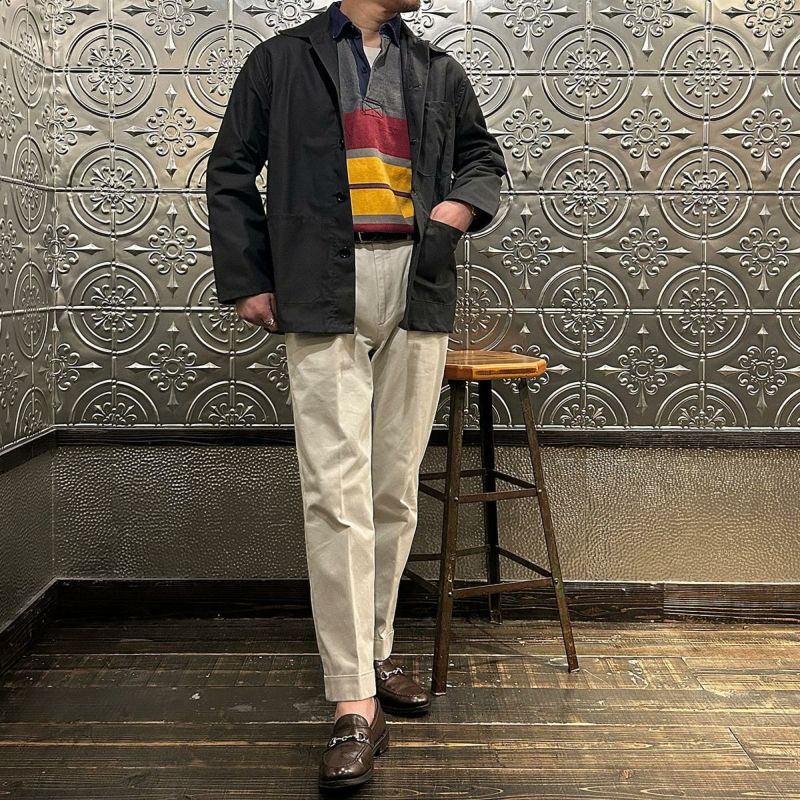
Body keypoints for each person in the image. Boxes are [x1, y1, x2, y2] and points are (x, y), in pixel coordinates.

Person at [205, 0, 507, 789]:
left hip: (418, 281)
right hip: (319, 281)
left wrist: (453, 212)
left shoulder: (436, 68)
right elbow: (230, 170)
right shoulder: (280, 61)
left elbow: (482, 156)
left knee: (392, 488)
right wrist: (247, 278)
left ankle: (375, 650)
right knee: (335, 494)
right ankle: (351, 699)